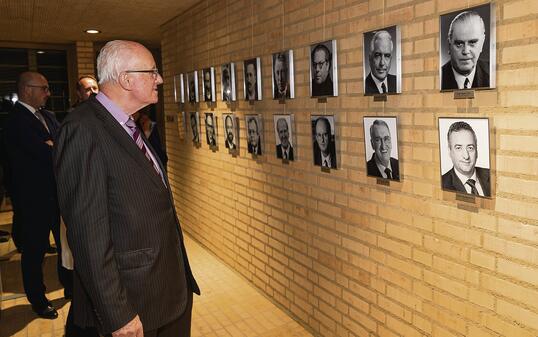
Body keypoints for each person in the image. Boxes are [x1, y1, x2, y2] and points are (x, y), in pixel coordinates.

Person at [53, 40, 200, 337]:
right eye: (152, 72)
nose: (159, 79)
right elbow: (88, 235)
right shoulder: (83, 129)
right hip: (133, 301)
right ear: (126, 79)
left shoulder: (128, 125)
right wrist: (117, 314)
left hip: (167, 290)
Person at [4, 71, 70, 319]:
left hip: (57, 196)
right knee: (34, 252)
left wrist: (54, 147)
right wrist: (52, 148)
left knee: (66, 245)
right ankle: (38, 299)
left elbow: (64, 145)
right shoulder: (16, 122)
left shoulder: (49, 116)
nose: (48, 93)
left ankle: (70, 287)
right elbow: (44, 156)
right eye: (43, 88)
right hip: (33, 202)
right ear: (26, 89)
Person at [441, 11, 489, 90]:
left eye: (472, 42)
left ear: (482, 43)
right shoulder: (439, 77)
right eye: (459, 44)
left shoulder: (492, 74)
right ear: (449, 45)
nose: (466, 51)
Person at [442, 121, 490, 196]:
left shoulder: (492, 175)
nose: (466, 156)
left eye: (470, 148)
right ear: (449, 151)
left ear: (476, 150)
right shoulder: (443, 184)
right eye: (458, 148)